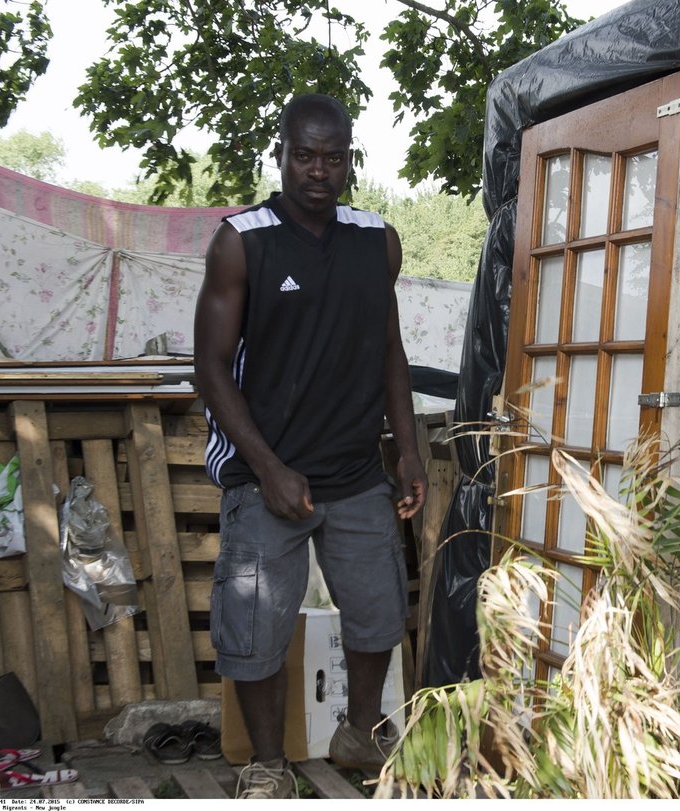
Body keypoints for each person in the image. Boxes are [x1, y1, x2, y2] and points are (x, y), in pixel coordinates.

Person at [194, 93, 427, 800]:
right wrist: (265, 468)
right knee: (257, 624)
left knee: (378, 609)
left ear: (349, 161)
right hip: (265, 469)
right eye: (304, 155)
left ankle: (358, 734)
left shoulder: (376, 240)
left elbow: (390, 348)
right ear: (281, 156)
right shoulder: (243, 239)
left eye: (332, 157)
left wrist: (407, 449)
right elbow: (208, 366)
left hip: (355, 469)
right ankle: (268, 762)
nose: (318, 171)